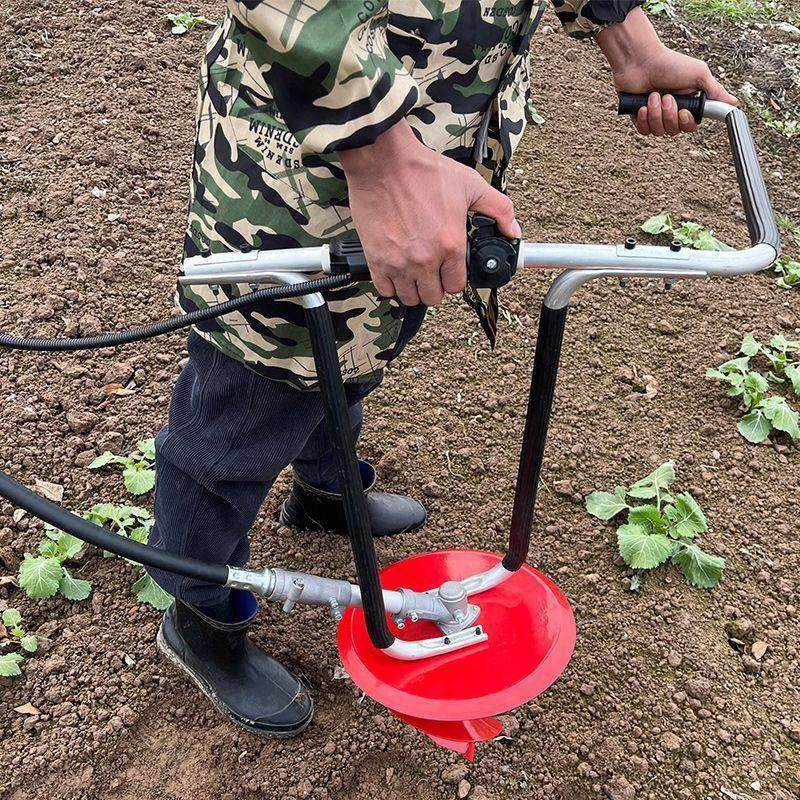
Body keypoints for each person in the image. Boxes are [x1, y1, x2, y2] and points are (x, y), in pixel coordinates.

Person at [146, 0, 738, 738]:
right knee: (247, 400)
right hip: (306, 159)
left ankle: (325, 494)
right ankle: (203, 616)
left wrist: (628, 38)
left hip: (445, 146)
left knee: (354, 348)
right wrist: (380, 154)